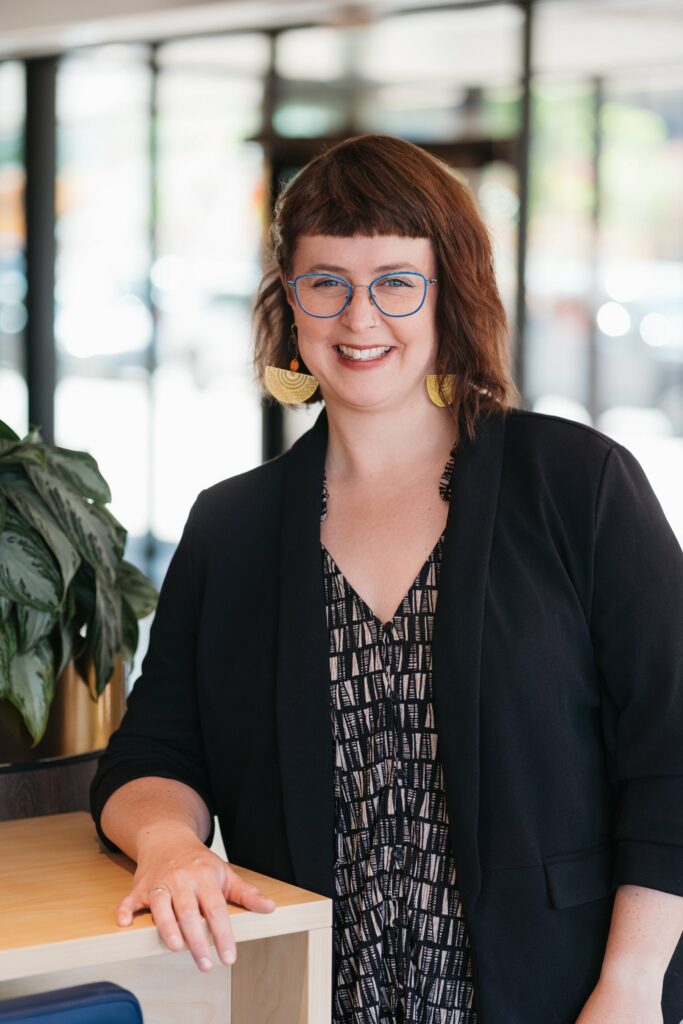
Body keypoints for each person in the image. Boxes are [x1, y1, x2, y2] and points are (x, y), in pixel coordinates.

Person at [90, 133, 683, 1024]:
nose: (359, 321)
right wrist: (170, 845)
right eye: (325, 283)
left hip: (572, 999)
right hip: (314, 998)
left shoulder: (576, 484)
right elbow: (152, 755)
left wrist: (633, 984)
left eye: (396, 283)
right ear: (290, 307)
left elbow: (671, 746)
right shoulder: (232, 526)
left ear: (451, 295)